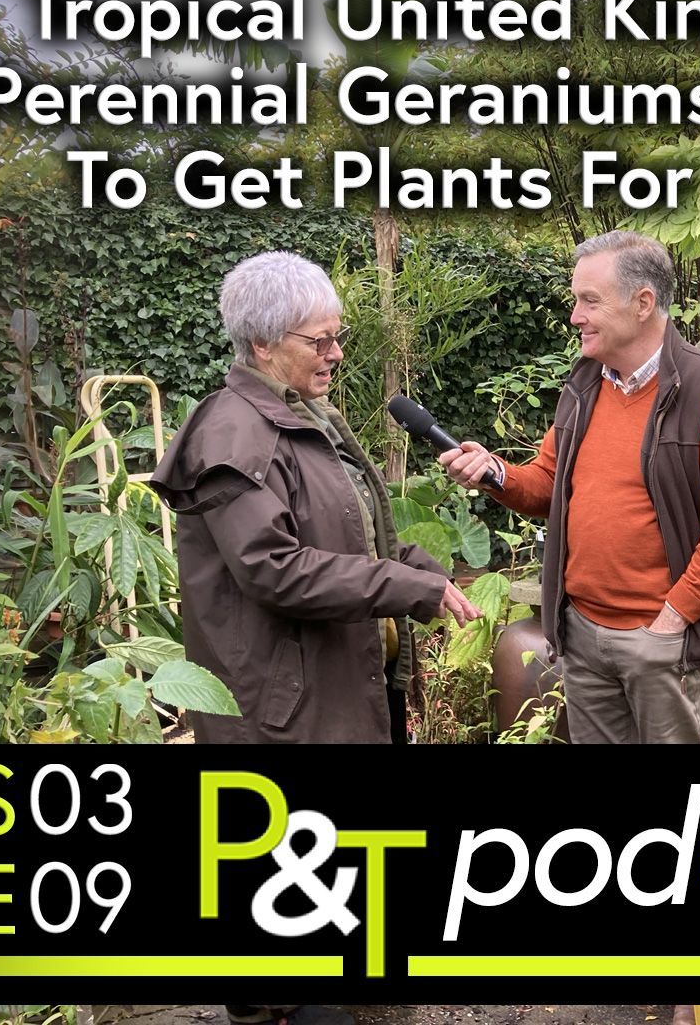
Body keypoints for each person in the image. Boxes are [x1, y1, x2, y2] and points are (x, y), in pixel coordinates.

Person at [439, 230, 700, 744]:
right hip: (583, 636)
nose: (575, 316)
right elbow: (548, 484)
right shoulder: (586, 383)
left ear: (643, 303)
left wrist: (672, 619)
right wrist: (495, 472)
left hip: (657, 642)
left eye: (589, 300)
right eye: (576, 300)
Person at [151, 250, 481, 744]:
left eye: (337, 336)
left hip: (333, 689)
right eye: (319, 340)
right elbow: (273, 569)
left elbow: (343, 531)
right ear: (263, 343)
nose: (336, 353)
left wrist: (417, 570)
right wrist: (400, 584)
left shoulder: (303, 413)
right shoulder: (234, 435)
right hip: (284, 714)